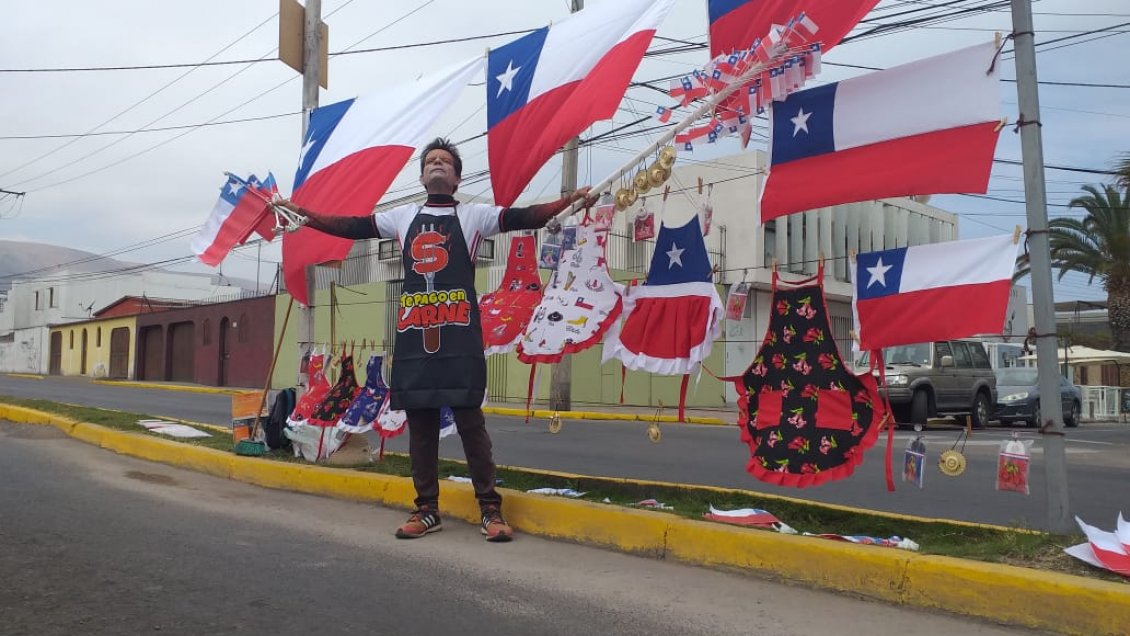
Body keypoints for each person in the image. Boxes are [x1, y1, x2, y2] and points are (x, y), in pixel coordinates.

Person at [279, 138, 595, 542]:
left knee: (470, 423)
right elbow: (352, 226)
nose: (437, 164)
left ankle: (490, 509)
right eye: (430, 161)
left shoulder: (475, 216)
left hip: (460, 334)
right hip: (414, 336)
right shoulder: (401, 216)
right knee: (422, 426)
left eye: (445, 161)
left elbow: (523, 217)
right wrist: (304, 216)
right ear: (423, 175)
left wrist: (566, 202)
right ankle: (426, 509)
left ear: (457, 177)